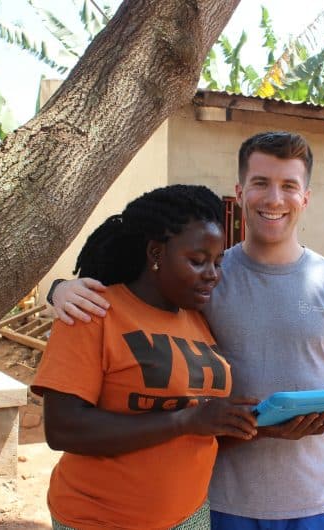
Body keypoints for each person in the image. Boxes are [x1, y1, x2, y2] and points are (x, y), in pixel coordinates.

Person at [51, 132, 324, 529]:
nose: (274, 198)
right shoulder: (205, 283)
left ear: (305, 197)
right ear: (240, 193)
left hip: (312, 496)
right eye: (261, 183)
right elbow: (132, 296)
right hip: (217, 499)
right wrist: (58, 289)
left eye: (289, 185)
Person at [31, 184, 258, 530]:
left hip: (190, 515)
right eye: (197, 261)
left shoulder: (197, 319)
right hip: (101, 520)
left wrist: (263, 425)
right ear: (155, 253)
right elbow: (63, 429)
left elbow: (198, 425)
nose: (212, 274)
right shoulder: (94, 311)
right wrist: (187, 421)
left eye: (217, 261)